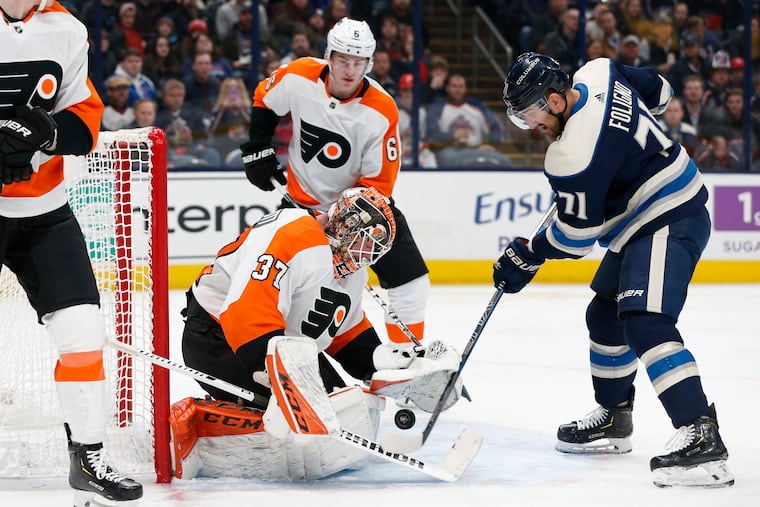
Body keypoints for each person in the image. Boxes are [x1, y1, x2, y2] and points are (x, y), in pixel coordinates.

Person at [494, 52, 734, 488]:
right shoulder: (599, 70)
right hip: (643, 218)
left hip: (668, 216)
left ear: (553, 99)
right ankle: (614, 418)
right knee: (604, 317)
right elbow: (661, 92)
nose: (532, 127)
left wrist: (530, 252)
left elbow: (576, 237)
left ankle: (702, 435)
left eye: (530, 114)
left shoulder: (570, 156)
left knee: (645, 322)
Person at [176, 187, 460, 479]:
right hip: (217, 337)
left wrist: (389, 362)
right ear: (345, 223)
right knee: (312, 422)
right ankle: (199, 425)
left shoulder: (350, 273)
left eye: (375, 250)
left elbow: (343, 334)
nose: (365, 255)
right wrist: (271, 371)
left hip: (282, 346)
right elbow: (245, 309)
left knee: (346, 412)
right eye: (364, 242)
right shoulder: (294, 231)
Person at [0, 0, 142, 503]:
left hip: (45, 211)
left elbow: (83, 127)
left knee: (82, 335)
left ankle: (88, 456)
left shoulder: (67, 27)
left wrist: (43, 134)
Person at [241, 17, 431, 344]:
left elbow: (378, 189)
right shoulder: (299, 74)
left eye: (359, 62)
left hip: (359, 213)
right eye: (343, 59)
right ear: (328, 55)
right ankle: (272, 356)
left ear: (369, 64)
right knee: (292, 294)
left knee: (412, 282)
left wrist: (340, 226)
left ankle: (407, 362)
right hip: (299, 209)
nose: (349, 70)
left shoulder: (382, 110)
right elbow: (265, 96)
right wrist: (258, 146)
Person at [425, 73, 512, 168]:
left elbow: (495, 126)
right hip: (449, 150)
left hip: (476, 149)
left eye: (461, 86)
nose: (457, 90)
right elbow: (431, 133)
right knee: (450, 161)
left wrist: (492, 144)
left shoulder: (477, 107)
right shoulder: (437, 108)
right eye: (454, 86)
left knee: (503, 161)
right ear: (447, 88)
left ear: (465, 88)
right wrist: (452, 135)